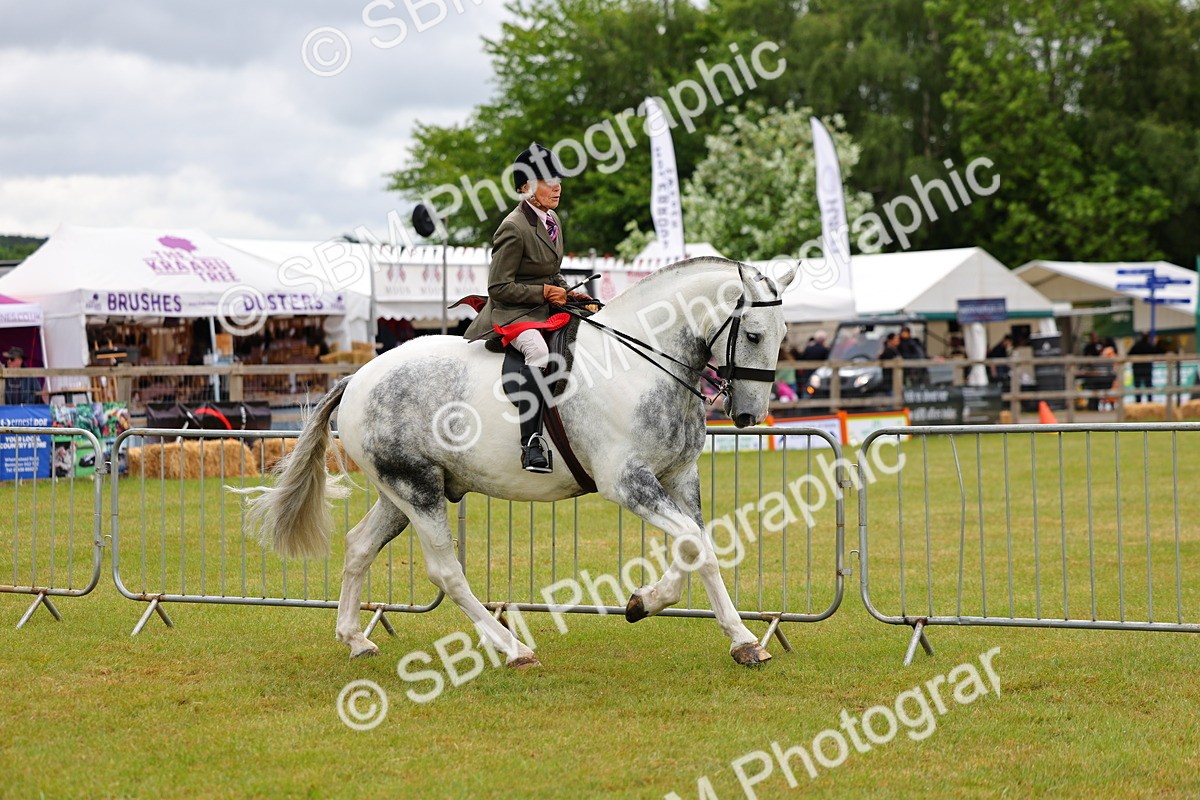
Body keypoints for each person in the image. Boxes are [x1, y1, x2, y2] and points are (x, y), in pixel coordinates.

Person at [463, 143, 592, 473]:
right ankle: (531, 442)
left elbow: (550, 272)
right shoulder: (513, 227)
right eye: (548, 180)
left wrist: (569, 293)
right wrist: (546, 292)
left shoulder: (552, 220)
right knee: (537, 352)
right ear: (525, 187)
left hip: (542, 307)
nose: (557, 186)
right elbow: (499, 288)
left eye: (558, 179)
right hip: (512, 313)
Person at [1128, 333, 1156, 403]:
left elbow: (1129, 354)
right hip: (1147, 369)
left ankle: (1138, 401)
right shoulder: (1149, 346)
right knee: (1148, 386)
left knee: (1138, 386)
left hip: (1138, 369)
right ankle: (1150, 401)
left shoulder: (1136, 345)